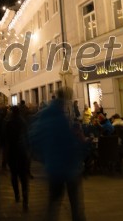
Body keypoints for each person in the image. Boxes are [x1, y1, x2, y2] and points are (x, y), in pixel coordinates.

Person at [29, 87, 87, 221]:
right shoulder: (63, 116)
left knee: (54, 203)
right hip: (70, 166)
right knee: (75, 204)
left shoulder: (46, 114)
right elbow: (70, 141)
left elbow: (34, 137)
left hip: (54, 166)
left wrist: (44, 155)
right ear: (66, 99)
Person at [3, 105, 30, 211]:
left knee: (14, 175)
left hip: (12, 152)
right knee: (23, 177)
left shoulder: (8, 123)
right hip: (22, 152)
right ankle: (25, 200)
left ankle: (17, 195)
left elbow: (5, 137)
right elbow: (27, 136)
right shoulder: (23, 122)